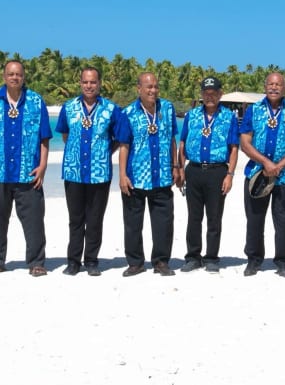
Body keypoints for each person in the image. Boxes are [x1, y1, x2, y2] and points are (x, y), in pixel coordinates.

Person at [0, 60, 52, 277]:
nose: (14, 77)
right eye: (10, 74)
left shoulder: (35, 101)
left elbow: (44, 138)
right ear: (4, 76)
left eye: (18, 74)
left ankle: (36, 262)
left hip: (28, 174)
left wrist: (43, 166)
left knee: (34, 222)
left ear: (23, 76)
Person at [55, 66, 122, 277]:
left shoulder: (111, 109)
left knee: (95, 219)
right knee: (75, 219)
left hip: (99, 173)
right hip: (73, 172)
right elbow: (65, 136)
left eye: (93, 82)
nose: (89, 86)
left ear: (99, 83)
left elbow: (119, 138)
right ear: (80, 83)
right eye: (85, 82)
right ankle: (73, 261)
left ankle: (91, 260)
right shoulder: (69, 107)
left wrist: (101, 153)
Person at [238, 72, 285, 278]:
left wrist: (279, 166)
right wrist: (266, 163)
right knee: (255, 219)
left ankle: (283, 261)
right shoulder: (253, 110)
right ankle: (254, 259)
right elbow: (244, 142)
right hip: (257, 174)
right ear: (265, 86)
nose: (274, 87)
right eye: (270, 84)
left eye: (278, 84)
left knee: (284, 221)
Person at [115, 72, 180, 277]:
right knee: (133, 223)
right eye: (148, 87)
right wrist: (122, 175)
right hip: (136, 177)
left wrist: (176, 165)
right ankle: (135, 262)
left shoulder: (167, 108)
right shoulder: (128, 113)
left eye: (155, 87)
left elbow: (171, 139)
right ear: (139, 89)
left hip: (161, 176)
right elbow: (124, 146)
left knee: (164, 223)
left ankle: (161, 261)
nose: (152, 90)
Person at [179, 76, 239, 273]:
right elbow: (182, 143)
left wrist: (230, 174)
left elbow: (233, 148)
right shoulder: (192, 115)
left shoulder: (229, 117)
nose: (210, 97)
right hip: (194, 170)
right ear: (202, 94)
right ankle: (193, 256)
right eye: (206, 93)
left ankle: (212, 257)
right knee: (193, 217)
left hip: (217, 171)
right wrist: (180, 168)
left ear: (220, 94)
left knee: (214, 217)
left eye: (213, 93)